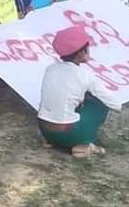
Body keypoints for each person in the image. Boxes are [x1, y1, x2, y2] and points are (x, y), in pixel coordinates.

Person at [37, 25, 121, 158]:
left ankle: (50, 139)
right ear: (81, 53)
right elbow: (115, 104)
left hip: (44, 128)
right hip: (69, 133)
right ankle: (83, 144)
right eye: (88, 49)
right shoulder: (85, 75)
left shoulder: (50, 68)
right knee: (99, 104)